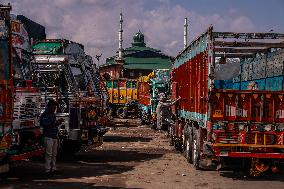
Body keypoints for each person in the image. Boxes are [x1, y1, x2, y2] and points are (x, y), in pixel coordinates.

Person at [40, 99, 64, 175]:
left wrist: (57, 123)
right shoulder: (45, 115)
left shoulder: (52, 114)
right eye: (54, 107)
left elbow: (53, 124)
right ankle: (47, 170)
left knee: (54, 154)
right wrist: (56, 123)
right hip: (48, 136)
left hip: (53, 136)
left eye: (55, 107)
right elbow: (45, 124)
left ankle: (53, 169)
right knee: (49, 154)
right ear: (50, 106)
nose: (55, 108)